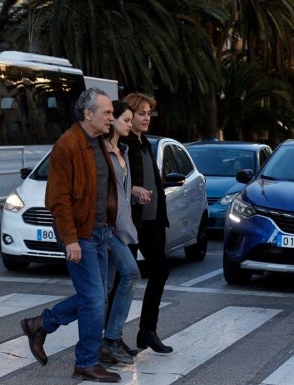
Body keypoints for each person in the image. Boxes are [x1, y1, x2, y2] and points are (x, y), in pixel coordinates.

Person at [20, 88, 121, 383]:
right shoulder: (67, 145)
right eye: (106, 113)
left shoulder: (98, 142)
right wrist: (70, 239)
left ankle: (41, 324)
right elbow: (57, 198)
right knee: (94, 299)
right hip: (81, 234)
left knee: (95, 298)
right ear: (87, 114)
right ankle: (86, 361)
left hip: (100, 231)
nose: (111, 118)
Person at [120, 92, 173, 354]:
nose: (145, 118)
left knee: (160, 270)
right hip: (132, 221)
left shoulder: (145, 143)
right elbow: (118, 182)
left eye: (148, 113)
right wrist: (134, 189)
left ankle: (147, 331)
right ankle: (113, 337)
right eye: (141, 113)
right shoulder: (123, 143)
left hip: (152, 220)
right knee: (124, 278)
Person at [100, 100, 141, 365]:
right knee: (131, 273)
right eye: (126, 119)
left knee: (105, 289)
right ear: (112, 120)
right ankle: (110, 338)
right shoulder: (101, 151)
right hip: (107, 227)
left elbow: (121, 192)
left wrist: (135, 193)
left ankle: (106, 342)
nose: (130, 123)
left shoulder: (121, 151)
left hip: (122, 227)